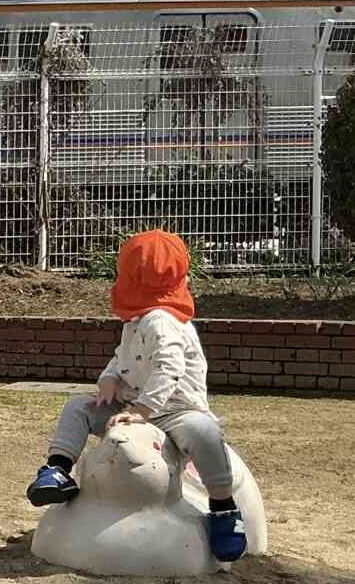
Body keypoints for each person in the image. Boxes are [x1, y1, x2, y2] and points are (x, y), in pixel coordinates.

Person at [26, 228, 248, 563]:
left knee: (206, 433)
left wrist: (144, 409)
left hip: (176, 409)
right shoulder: (136, 322)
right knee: (78, 408)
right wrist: (109, 380)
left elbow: (169, 368)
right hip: (131, 405)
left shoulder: (162, 321)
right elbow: (121, 358)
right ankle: (57, 470)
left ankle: (222, 508)